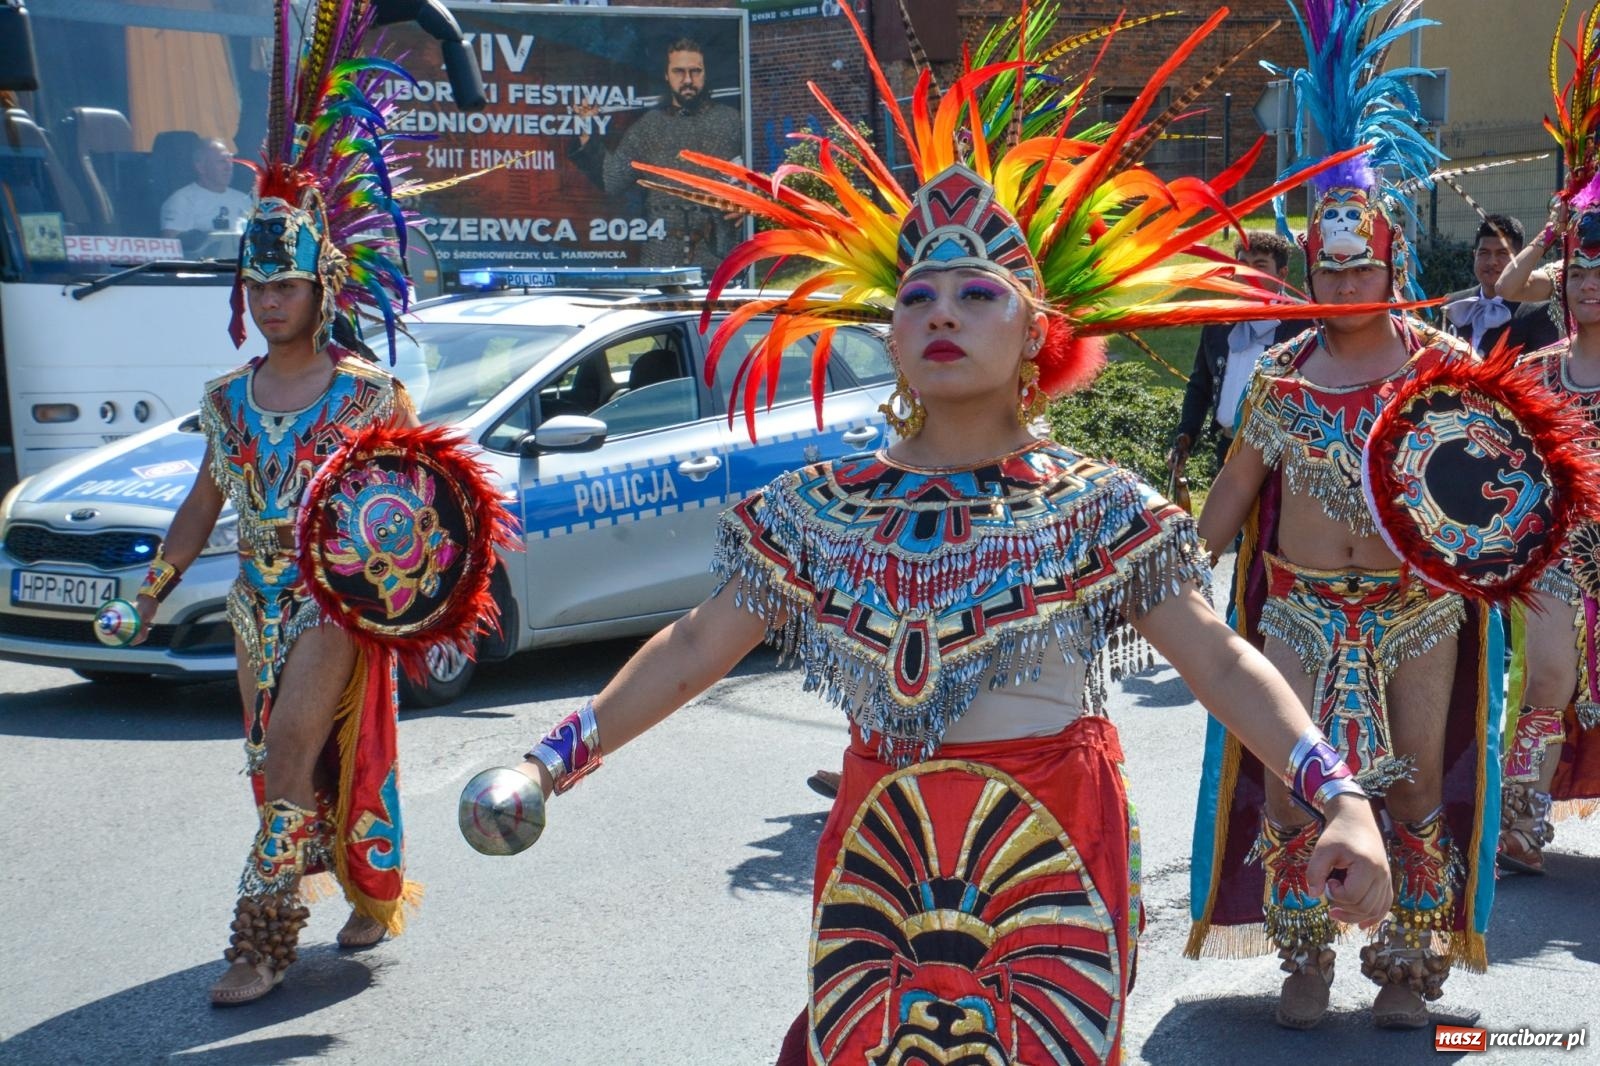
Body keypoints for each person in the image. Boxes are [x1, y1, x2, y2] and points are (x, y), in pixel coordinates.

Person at [470, 10, 1395, 1062]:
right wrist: (553, 761)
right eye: (915, 295)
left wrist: (1339, 795)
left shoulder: (1097, 506)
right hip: (883, 845)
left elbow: (1221, 663)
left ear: (1038, 328)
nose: (940, 312)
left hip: (1046, 849)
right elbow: (693, 649)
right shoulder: (816, 507)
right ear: (893, 335)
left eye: (975, 291)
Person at [122, 3, 495, 1007]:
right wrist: (150, 591)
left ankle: (260, 940)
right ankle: (364, 881)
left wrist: (412, 595)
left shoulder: (370, 397)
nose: (272, 294)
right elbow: (206, 499)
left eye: (287, 279)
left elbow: (418, 511)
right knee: (275, 762)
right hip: (254, 600)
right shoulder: (226, 399)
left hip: (336, 607)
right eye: (259, 280)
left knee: (293, 743)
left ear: (323, 285)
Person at [1186, 0, 1501, 1033]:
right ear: (1310, 270)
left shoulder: (1447, 369)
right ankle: (1306, 957)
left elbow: (1504, 492)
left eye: (1361, 264)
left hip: (1418, 609)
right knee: (1289, 795)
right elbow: (1230, 498)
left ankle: (1408, 967)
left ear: (1393, 262)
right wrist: (1171, 578)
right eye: (1327, 267)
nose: (1343, 280)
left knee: (1409, 787)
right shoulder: (1279, 378)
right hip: (1297, 610)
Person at [568, 37, 743, 273]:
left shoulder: (731, 122)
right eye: (679, 72)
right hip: (661, 254)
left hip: (718, 250)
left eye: (695, 71)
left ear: (705, 73)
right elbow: (612, 179)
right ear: (667, 75)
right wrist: (587, 130)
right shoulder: (649, 126)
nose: (688, 80)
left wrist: (749, 200)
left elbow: (759, 174)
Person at [1167, 231, 1311, 474]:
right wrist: (1186, 434)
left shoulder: (1303, 323)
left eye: (1260, 266)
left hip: (1280, 456)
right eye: (1242, 265)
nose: (1248, 273)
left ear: (1282, 274)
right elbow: (1200, 385)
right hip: (1227, 446)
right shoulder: (1218, 321)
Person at [1441, 214, 1561, 356]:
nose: (1492, 262)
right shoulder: (1452, 305)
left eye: (1502, 253)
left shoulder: (1539, 312)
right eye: (1484, 253)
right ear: (1474, 255)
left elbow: (1541, 370)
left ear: (1519, 258)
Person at [159, 138, 253, 251]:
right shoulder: (182, 201)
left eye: (230, 160)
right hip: (202, 267)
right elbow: (171, 248)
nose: (228, 167)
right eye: (222, 161)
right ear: (201, 167)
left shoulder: (244, 200)